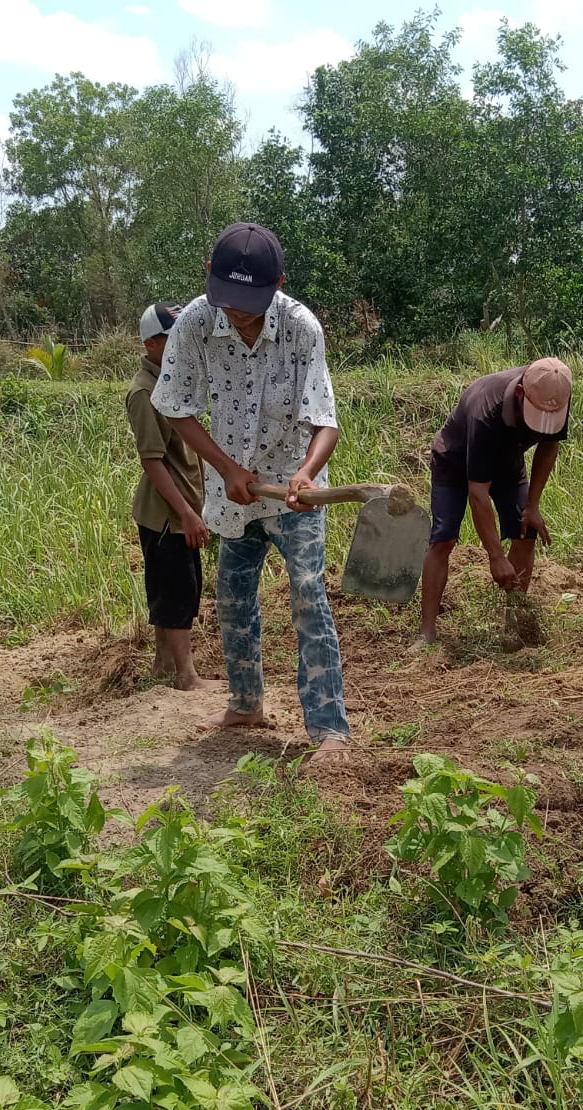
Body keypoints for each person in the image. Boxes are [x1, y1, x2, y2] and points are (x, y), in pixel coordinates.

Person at [151, 222, 350, 763]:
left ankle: (330, 729)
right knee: (233, 599)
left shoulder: (301, 327)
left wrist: (306, 475)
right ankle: (246, 703)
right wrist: (226, 467)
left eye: (250, 303)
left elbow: (324, 419)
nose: (238, 312)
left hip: (293, 489)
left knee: (309, 595)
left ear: (278, 283)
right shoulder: (193, 323)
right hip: (232, 493)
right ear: (209, 280)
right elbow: (175, 406)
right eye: (228, 300)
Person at [416, 358, 571, 647]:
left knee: (525, 532)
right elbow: (478, 493)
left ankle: (514, 625)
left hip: (508, 462)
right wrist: (495, 556)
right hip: (453, 461)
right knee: (444, 537)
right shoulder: (486, 411)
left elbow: (550, 445)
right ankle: (427, 632)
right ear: (522, 393)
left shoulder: (556, 392)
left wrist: (532, 505)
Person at [126, 301, 217, 691]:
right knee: (177, 590)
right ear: (151, 344)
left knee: (170, 586)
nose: (181, 345)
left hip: (178, 508)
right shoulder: (145, 394)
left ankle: (164, 665)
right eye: (171, 338)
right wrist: (186, 512)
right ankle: (187, 675)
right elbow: (153, 461)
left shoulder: (170, 385)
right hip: (166, 512)